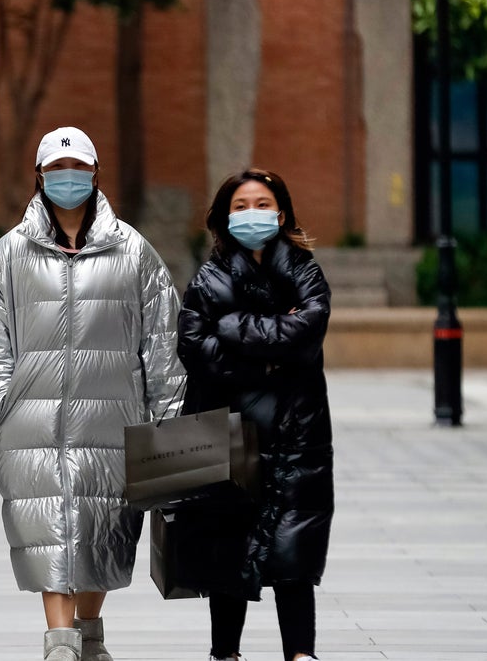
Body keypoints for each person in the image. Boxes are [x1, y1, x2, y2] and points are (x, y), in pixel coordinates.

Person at [0, 126, 185, 661]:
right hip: (31, 426)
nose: (68, 178)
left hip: (115, 424)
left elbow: (162, 339)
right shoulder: (9, 255)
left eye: (78, 168)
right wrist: (0, 405)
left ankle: (88, 633)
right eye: (57, 169)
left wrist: (166, 418)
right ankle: (59, 645)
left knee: (102, 533)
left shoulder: (133, 251)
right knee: (49, 532)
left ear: (94, 173)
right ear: (39, 176)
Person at [177, 168, 334, 661]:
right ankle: (224, 652)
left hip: (297, 429)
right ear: (225, 216)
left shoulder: (305, 270)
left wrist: (235, 328)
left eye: (261, 204)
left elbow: (309, 329)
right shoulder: (210, 276)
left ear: (281, 212)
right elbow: (194, 346)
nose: (252, 214)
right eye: (240, 206)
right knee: (228, 541)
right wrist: (269, 355)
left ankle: (301, 654)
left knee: (295, 542)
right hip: (230, 427)